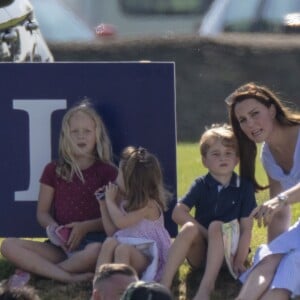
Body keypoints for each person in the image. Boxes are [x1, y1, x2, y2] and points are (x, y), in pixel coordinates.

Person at [0, 100, 117, 283]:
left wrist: (84, 226)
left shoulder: (108, 172)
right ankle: (67, 277)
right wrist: (55, 228)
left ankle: (35, 273)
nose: (81, 137)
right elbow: (42, 213)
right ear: (66, 136)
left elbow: (114, 218)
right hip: (60, 247)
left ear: (97, 135)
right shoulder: (53, 169)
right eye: (75, 132)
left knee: (95, 252)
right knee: (8, 245)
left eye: (87, 131)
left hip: (92, 244)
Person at [160, 124, 257, 300]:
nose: (223, 158)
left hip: (230, 253)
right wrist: (206, 234)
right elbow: (177, 213)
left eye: (228, 153)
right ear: (205, 160)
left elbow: (247, 228)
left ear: (236, 159)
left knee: (217, 225)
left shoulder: (244, 187)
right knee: (189, 227)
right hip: (202, 254)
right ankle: (163, 284)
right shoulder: (201, 184)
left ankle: (207, 286)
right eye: (215, 154)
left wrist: (240, 259)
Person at [226, 82, 300, 299]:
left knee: (291, 265)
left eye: (254, 113)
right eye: (243, 120)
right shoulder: (268, 154)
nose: (250, 124)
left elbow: (279, 202)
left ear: (272, 109)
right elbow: (278, 216)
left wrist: (282, 199)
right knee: (270, 261)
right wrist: (275, 247)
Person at [95, 146, 171, 282]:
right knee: (109, 242)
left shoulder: (148, 205)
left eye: (119, 174)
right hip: (129, 250)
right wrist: (103, 205)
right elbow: (113, 232)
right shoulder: (124, 203)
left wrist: (110, 201)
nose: (116, 178)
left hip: (147, 257)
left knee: (123, 249)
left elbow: (121, 222)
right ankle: (99, 287)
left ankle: (122, 289)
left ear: (132, 181)